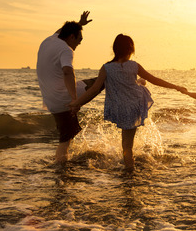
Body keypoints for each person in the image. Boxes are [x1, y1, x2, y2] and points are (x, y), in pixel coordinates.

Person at [69, 34, 186, 172]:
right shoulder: (134, 66)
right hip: (134, 106)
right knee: (127, 146)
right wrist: (177, 87)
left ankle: (128, 169)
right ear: (131, 49)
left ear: (115, 49)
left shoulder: (106, 67)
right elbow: (155, 80)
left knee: (126, 144)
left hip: (119, 108)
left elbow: (94, 89)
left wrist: (77, 103)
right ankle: (130, 171)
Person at [37, 11, 93, 164]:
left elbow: (61, 30)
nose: (79, 43)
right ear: (71, 37)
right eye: (79, 39)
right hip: (64, 100)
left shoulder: (49, 40)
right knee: (103, 79)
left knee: (67, 135)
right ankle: (60, 170)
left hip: (51, 101)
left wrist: (79, 24)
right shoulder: (66, 50)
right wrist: (75, 100)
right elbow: (68, 72)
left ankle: (64, 165)